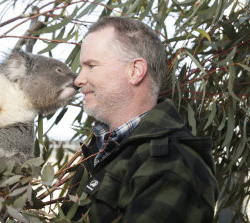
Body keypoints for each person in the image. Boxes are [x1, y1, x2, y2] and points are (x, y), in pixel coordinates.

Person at [62, 17, 218, 222]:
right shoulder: (99, 151)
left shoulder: (172, 163)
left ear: (135, 71)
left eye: (91, 66)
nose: (78, 80)